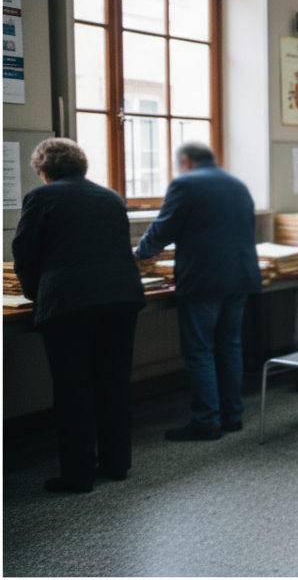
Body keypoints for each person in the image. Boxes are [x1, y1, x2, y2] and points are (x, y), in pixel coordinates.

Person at [11, 138, 146, 493]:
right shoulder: (110, 196)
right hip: (122, 298)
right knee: (113, 382)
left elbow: (24, 252)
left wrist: (33, 293)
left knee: (74, 389)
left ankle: (78, 475)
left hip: (70, 303)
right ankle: (117, 464)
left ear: (44, 171)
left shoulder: (41, 197)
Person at [136, 142, 261, 442]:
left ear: (186, 161)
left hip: (204, 280)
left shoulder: (184, 183)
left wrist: (140, 254)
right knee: (230, 346)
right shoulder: (237, 183)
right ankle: (233, 416)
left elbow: (163, 228)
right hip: (240, 277)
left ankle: (206, 421)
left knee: (199, 350)